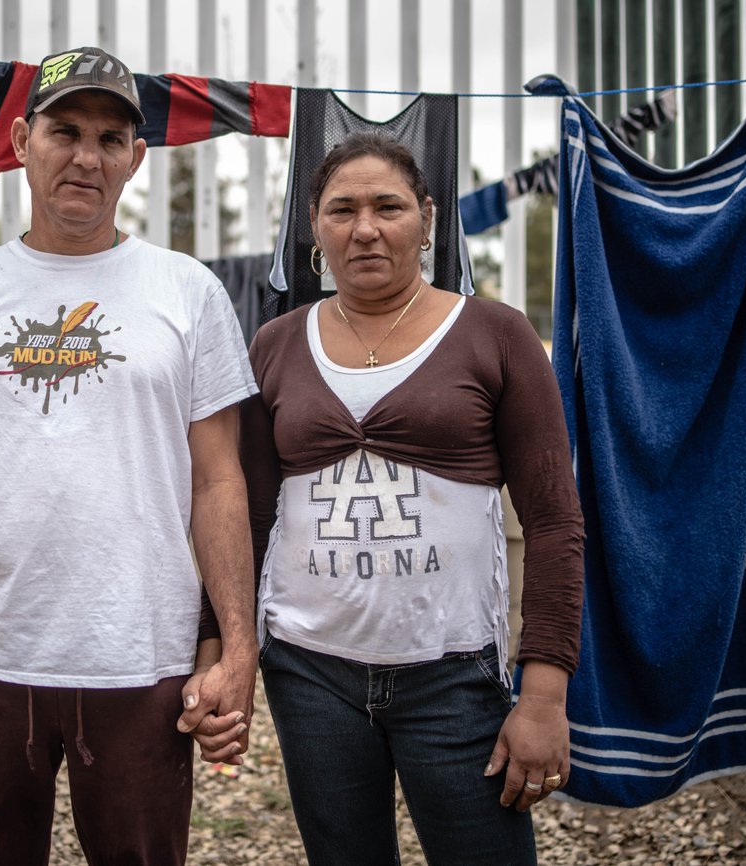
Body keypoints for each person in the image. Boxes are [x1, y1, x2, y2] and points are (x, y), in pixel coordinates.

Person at [0, 46, 258, 866]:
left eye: (112, 138)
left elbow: (219, 481)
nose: (87, 156)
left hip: (141, 660)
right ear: (20, 140)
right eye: (65, 130)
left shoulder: (187, 292)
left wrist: (238, 647)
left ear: (137, 159)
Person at [236, 132, 586, 866]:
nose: (365, 228)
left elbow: (554, 521)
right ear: (314, 225)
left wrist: (544, 693)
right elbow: (248, 515)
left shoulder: (495, 333)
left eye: (388, 206)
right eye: (343, 210)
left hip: (453, 670)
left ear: (427, 219)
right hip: (308, 670)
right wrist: (230, 649)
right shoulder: (274, 344)